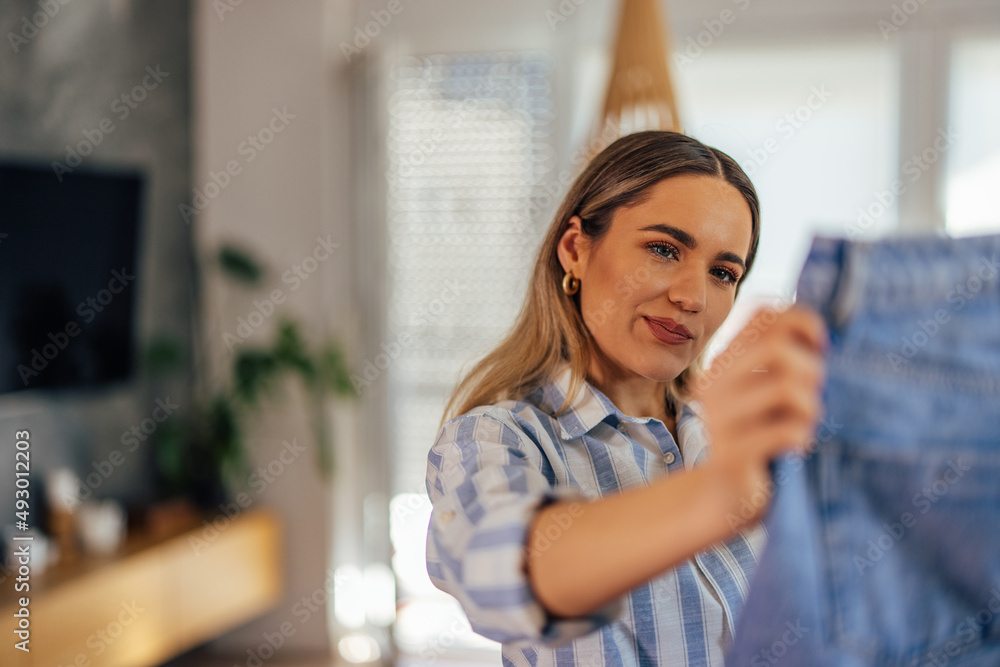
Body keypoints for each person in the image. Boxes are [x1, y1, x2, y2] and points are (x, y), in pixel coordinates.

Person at [424, 130, 827, 666]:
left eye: (723, 273)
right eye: (663, 249)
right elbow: (502, 572)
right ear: (575, 250)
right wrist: (722, 492)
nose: (692, 297)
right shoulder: (497, 437)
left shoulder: (740, 436)